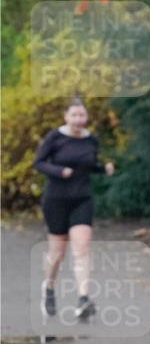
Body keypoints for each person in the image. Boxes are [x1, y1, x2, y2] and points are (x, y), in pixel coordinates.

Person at [33, 96, 114, 321]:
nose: (79, 120)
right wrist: (59, 172)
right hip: (56, 199)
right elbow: (38, 162)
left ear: (86, 117)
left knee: (82, 248)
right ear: (66, 116)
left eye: (82, 115)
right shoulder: (55, 137)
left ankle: (83, 299)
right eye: (74, 115)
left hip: (82, 198)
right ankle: (48, 288)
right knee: (58, 253)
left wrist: (102, 168)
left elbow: (88, 164)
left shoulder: (91, 140)